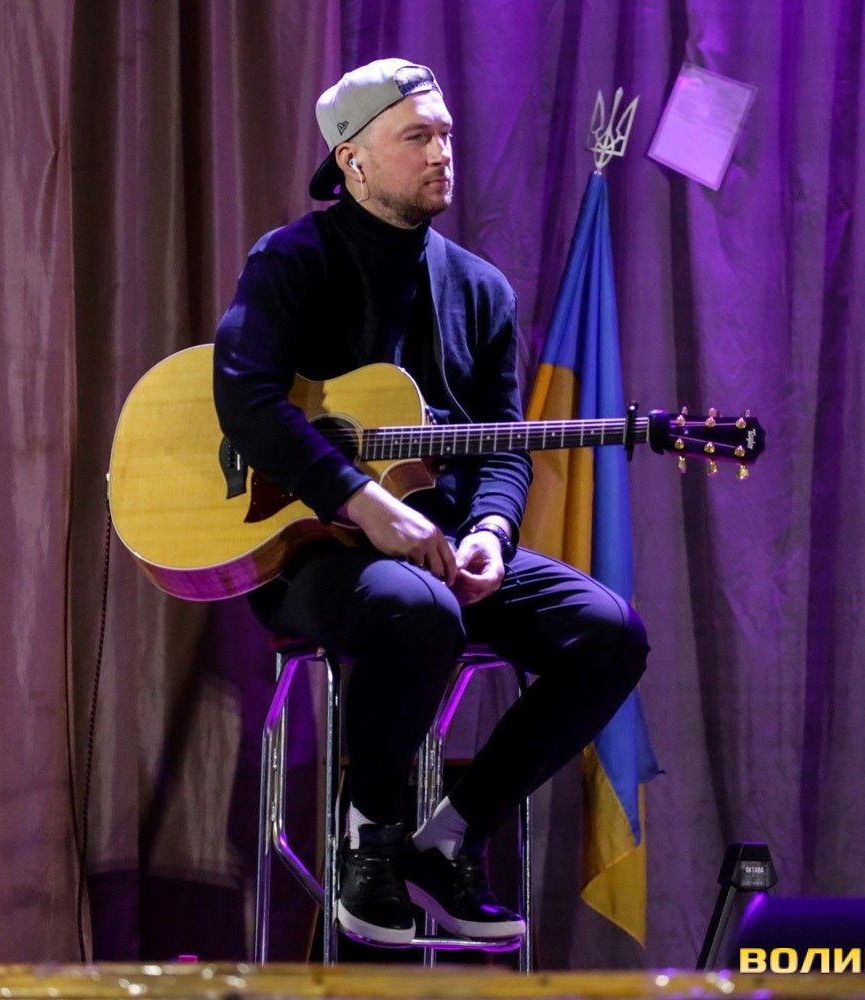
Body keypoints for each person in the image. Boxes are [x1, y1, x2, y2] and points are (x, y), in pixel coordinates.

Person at [213, 58, 648, 948]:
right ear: (352, 160)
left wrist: (491, 526)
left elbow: (503, 445)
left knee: (609, 634)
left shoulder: (481, 289)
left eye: (446, 133)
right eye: (418, 136)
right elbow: (247, 400)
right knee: (419, 611)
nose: (443, 152)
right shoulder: (291, 262)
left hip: (440, 546)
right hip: (313, 553)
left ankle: (447, 841)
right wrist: (360, 501)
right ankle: (368, 839)